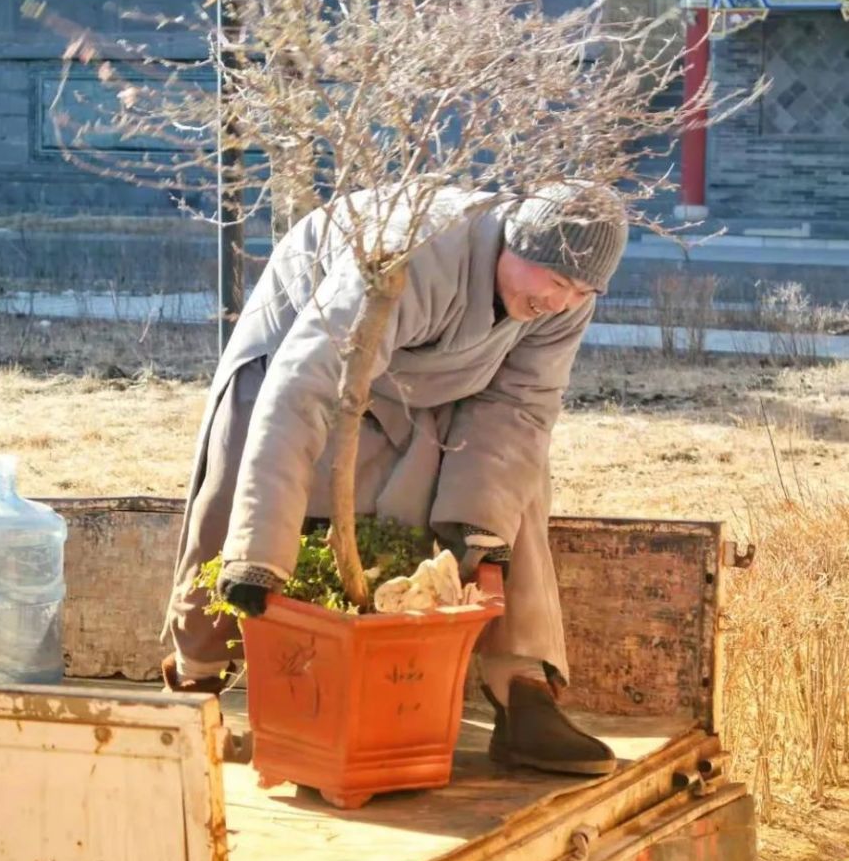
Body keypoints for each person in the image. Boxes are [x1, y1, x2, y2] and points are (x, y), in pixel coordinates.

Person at [161, 181, 629, 777]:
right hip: (298, 358)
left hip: (436, 380)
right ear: (515, 241)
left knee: (519, 479)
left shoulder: (562, 301)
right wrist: (261, 555)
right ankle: (196, 683)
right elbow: (301, 385)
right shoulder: (412, 248)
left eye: (581, 291)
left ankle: (523, 690)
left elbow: (522, 406)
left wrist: (481, 531)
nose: (562, 303)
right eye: (556, 283)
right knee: (240, 483)